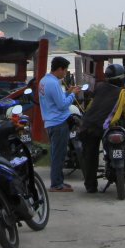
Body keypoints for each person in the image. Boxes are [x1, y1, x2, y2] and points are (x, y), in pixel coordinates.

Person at [78, 63, 125, 193]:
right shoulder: (123, 94)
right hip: (104, 127)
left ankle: (91, 186)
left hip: (87, 126)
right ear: (121, 79)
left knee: (90, 157)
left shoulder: (99, 87)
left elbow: (91, 106)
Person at [40, 55, 79, 192]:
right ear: (60, 69)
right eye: (65, 70)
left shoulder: (44, 81)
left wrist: (67, 93)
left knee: (57, 153)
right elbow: (62, 105)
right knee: (59, 155)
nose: (65, 74)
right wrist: (73, 94)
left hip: (50, 122)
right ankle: (56, 184)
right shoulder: (54, 83)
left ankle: (59, 181)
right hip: (58, 122)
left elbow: (55, 100)